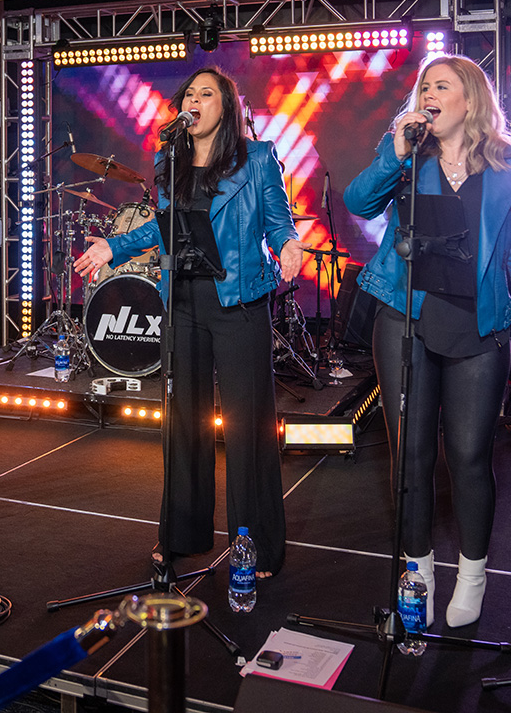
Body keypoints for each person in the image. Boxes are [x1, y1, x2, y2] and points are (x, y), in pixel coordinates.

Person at [75, 67, 303, 576]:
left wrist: (288, 245)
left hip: (239, 300)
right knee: (184, 423)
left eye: (207, 93)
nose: (195, 100)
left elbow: (278, 217)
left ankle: (256, 544)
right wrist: (114, 244)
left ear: (227, 107)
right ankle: (183, 533)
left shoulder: (258, 158)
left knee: (247, 427)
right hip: (181, 299)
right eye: (190, 94)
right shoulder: (169, 157)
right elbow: (161, 225)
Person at [343, 55, 511, 628]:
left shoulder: (506, 167)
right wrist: (394, 151)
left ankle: (472, 574)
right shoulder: (409, 156)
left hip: (477, 325)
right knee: (410, 455)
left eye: (443, 85)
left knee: (468, 456)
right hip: (405, 319)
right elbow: (359, 203)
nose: (430, 93)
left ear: (471, 100)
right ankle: (416, 572)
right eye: (425, 87)